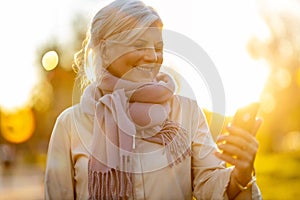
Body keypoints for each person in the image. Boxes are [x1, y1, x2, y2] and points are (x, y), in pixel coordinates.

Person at [44, 0, 263, 199]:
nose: (152, 56)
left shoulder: (187, 113)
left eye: (158, 48)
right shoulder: (70, 125)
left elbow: (210, 187)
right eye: (139, 45)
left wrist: (240, 175)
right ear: (107, 50)